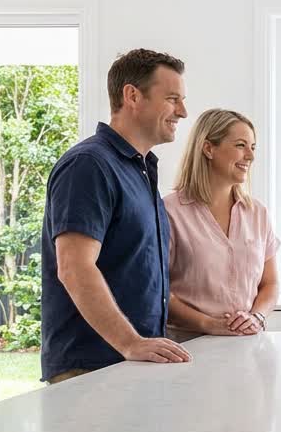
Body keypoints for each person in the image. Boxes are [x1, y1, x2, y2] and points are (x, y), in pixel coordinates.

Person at [39, 48, 193, 384]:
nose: (182, 112)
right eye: (172, 99)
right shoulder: (89, 165)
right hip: (91, 369)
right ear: (132, 96)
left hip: (132, 365)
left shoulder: (140, 170)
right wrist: (130, 342)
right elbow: (74, 266)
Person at [163, 108, 279, 339]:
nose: (250, 156)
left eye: (253, 147)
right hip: (188, 347)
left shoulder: (258, 213)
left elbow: (270, 283)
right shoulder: (168, 212)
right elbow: (159, 292)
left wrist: (256, 317)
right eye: (240, 145)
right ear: (208, 148)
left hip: (247, 347)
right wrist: (209, 324)